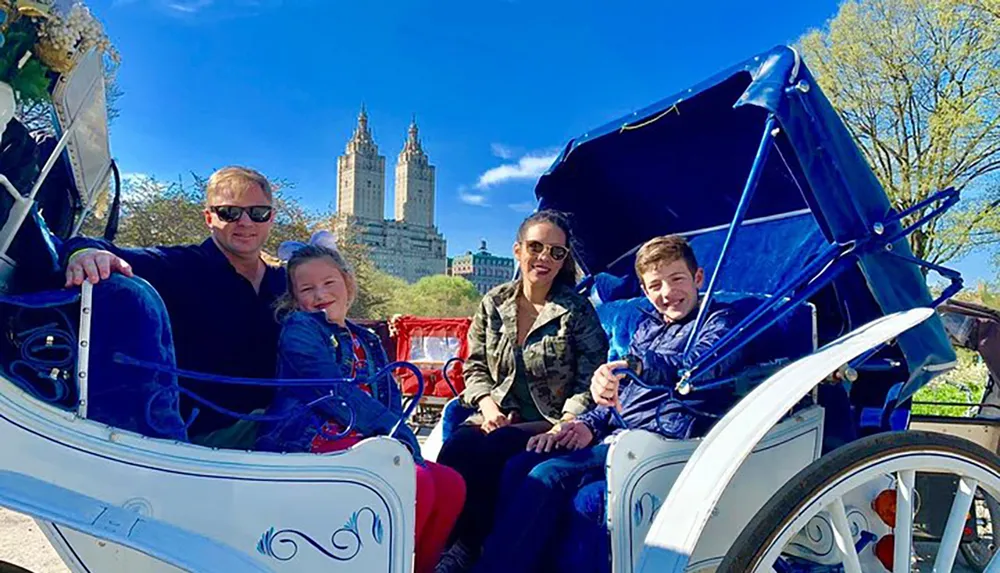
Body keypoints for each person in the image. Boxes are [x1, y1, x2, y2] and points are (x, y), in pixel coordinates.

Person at [469, 235, 746, 573]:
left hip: (666, 439)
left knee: (548, 475)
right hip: (618, 436)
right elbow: (619, 398)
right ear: (645, 291)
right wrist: (586, 424)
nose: (667, 293)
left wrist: (634, 366)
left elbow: (703, 365)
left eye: (677, 280)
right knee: (518, 464)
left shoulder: (719, 321)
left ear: (698, 279)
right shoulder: (649, 327)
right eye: (655, 285)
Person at [255, 232, 465, 573]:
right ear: (295, 298)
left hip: (364, 437)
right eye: (307, 290)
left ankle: (418, 565)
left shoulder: (365, 337)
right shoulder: (300, 329)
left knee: (451, 484)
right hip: (310, 436)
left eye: (328, 282)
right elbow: (332, 392)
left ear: (347, 283)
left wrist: (398, 433)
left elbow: (389, 395)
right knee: (412, 481)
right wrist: (394, 432)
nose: (321, 295)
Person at [434, 210, 609, 573]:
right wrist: (487, 404)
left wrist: (568, 421)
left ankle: (468, 552)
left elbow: (590, 377)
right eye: (536, 247)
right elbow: (476, 364)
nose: (544, 258)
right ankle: (442, 547)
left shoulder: (575, 311)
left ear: (564, 261)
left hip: (552, 421)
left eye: (556, 252)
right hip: (496, 413)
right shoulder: (494, 303)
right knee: (457, 448)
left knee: (497, 451)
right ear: (518, 250)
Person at [60, 166, 286, 446]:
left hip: (280, 416)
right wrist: (84, 253)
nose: (245, 223)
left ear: (271, 218)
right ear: (209, 218)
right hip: (211, 436)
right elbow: (90, 246)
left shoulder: (284, 280)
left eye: (258, 213)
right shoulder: (182, 266)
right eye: (229, 212)